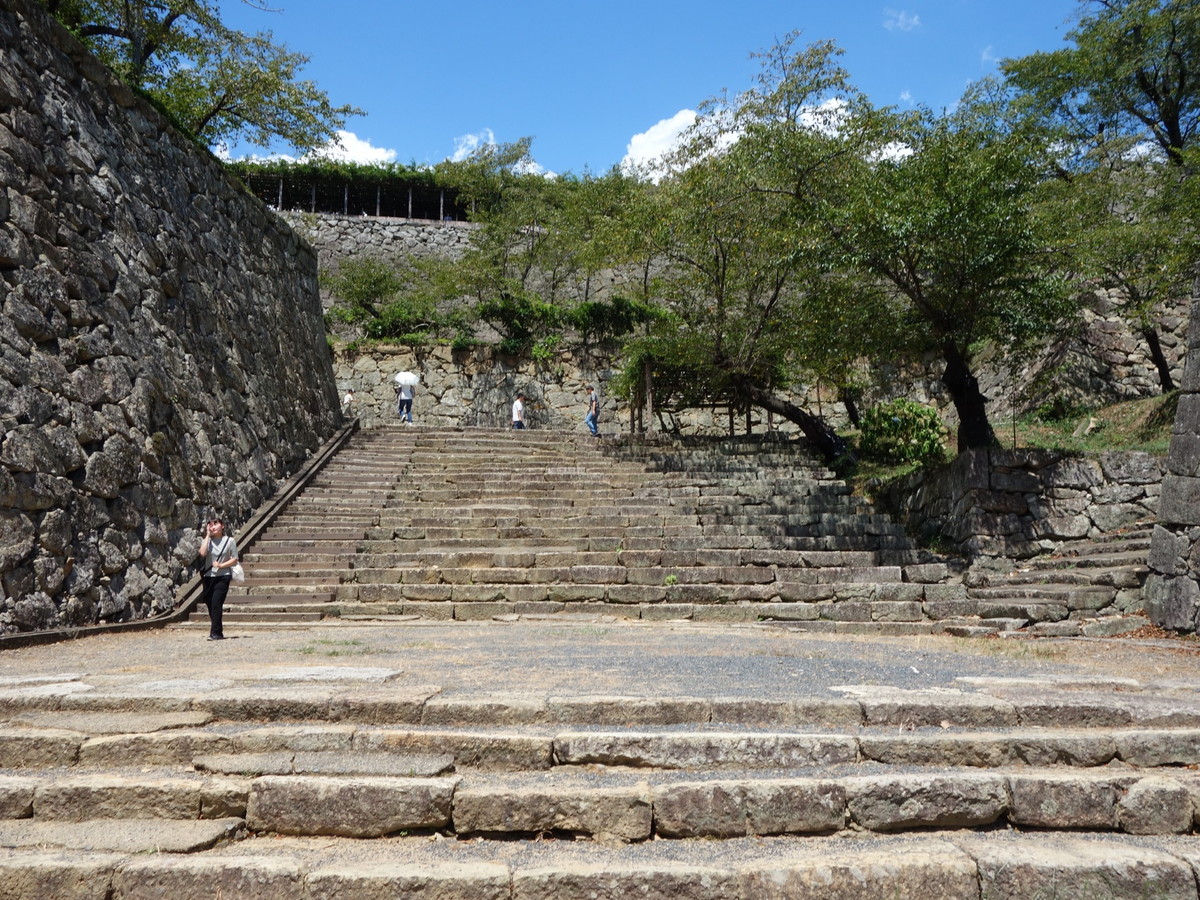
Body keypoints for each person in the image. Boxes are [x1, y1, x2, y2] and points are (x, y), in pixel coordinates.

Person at [197, 516, 238, 641]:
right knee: (210, 603)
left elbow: (235, 559)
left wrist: (221, 565)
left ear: (222, 526)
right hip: (209, 577)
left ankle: (214, 633)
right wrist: (208, 536)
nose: (213, 526)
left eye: (216, 523)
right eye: (210, 524)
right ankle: (218, 631)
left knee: (216, 602)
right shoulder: (207, 541)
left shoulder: (229, 541)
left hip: (223, 576)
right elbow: (202, 553)